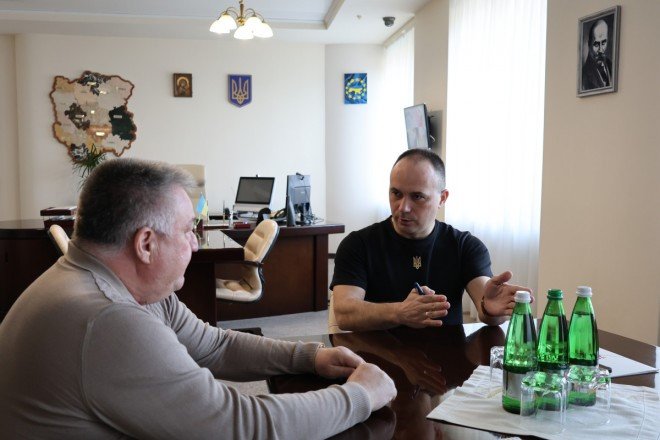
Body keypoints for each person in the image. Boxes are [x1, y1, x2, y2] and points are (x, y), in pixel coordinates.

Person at [0, 158, 396, 438]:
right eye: (189, 229)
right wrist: (360, 395)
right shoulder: (106, 319)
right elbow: (240, 428)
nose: (194, 242)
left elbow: (213, 346)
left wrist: (310, 357)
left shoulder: (130, 287)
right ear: (146, 244)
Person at [331, 149, 530, 331]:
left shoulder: (465, 246)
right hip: (375, 355)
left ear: (442, 198)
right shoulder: (358, 244)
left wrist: (490, 308)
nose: (403, 207)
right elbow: (345, 314)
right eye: (396, 193)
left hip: (446, 355)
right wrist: (400, 312)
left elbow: (487, 304)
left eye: (417, 197)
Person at [582, 19, 612, 90]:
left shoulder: (611, 65)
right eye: (596, 44)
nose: (600, 50)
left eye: (603, 43)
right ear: (589, 44)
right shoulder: (584, 74)